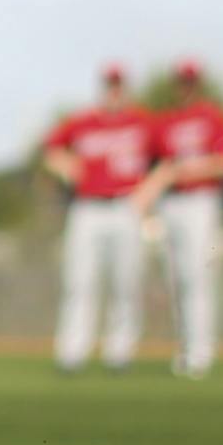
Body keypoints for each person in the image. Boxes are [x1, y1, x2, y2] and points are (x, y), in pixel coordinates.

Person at [42, 65, 156, 372]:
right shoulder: (83, 122)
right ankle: (72, 352)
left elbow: (167, 158)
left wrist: (149, 190)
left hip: (125, 206)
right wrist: (68, 167)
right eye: (109, 85)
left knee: (125, 281)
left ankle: (120, 352)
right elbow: (51, 151)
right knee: (80, 281)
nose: (114, 92)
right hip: (88, 207)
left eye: (118, 86)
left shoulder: (142, 122)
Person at [134, 60, 223, 378]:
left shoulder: (212, 117)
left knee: (196, 276)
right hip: (171, 203)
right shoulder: (164, 122)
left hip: (199, 200)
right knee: (176, 279)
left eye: (190, 81)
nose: (186, 87)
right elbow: (152, 166)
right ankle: (185, 349)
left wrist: (183, 170)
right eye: (182, 81)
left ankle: (201, 351)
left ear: (198, 84)